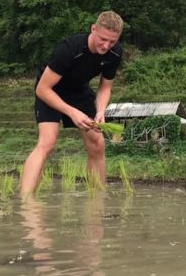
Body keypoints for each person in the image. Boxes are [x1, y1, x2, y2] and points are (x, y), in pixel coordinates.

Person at [20, 11, 124, 197]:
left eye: (112, 41)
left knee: (97, 143)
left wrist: (101, 111)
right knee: (47, 142)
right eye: (102, 39)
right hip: (51, 91)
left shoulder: (114, 53)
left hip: (78, 91)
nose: (106, 45)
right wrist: (72, 113)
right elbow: (42, 89)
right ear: (93, 29)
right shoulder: (69, 49)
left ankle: (98, 198)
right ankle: (26, 200)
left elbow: (105, 87)